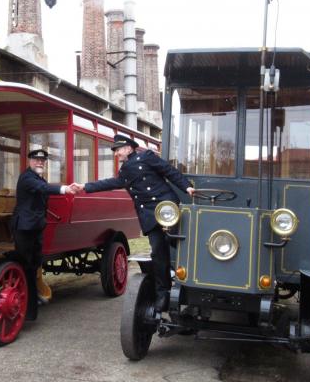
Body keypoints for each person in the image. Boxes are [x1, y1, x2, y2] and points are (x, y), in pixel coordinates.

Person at [77, 135, 194, 312]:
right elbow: (111, 183)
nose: (116, 154)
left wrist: (186, 186)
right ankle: (163, 293)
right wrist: (85, 187)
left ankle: (191, 284)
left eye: (118, 150)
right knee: (158, 252)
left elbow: (168, 170)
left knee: (180, 245)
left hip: (166, 209)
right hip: (149, 215)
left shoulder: (146, 156)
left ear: (128, 148)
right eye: (115, 151)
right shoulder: (125, 171)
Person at [12, 149, 77, 321]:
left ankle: (31, 309)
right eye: (36, 160)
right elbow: (43, 189)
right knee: (26, 268)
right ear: (30, 161)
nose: (40, 162)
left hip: (35, 228)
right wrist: (64, 189)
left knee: (33, 267)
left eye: (42, 160)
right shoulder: (27, 178)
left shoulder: (38, 178)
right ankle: (24, 309)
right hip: (25, 229)